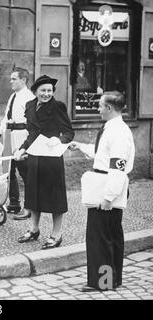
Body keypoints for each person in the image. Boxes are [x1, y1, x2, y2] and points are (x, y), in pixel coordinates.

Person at [69, 91, 135, 292]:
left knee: (100, 238)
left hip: (107, 187)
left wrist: (108, 197)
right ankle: (113, 279)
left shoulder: (119, 133)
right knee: (111, 235)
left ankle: (103, 282)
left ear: (108, 108)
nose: (98, 109)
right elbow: (102, 155)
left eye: (99, 106)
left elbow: (117, 167)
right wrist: (80, 146)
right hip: (106, 183)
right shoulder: (112, 129)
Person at [14, 75, 75, 249]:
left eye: (49, 91)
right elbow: (32, 133)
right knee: (33, 194)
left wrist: (59, 140)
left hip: (52, 158)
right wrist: (22, 148)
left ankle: (57, 234)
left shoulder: (58, 107)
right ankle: (33, 229)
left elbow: (69, 133)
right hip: (35, 157)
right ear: (36, 92)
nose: (47, 94)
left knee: (55, 197)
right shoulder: (30, 106)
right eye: (43, 90)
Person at [0, 67, 35, 220]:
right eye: (11, 78)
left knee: (26, 174)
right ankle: (14, 203)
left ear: (23, 80)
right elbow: (7, 116)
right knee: (9, 172)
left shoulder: (29, 98)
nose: (10, 81)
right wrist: (0, 132)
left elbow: (32, 122)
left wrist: (27, 144)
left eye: (14, 79)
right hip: (9, 137)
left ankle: (29, 207)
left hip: (21, 138)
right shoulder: (13, 96)